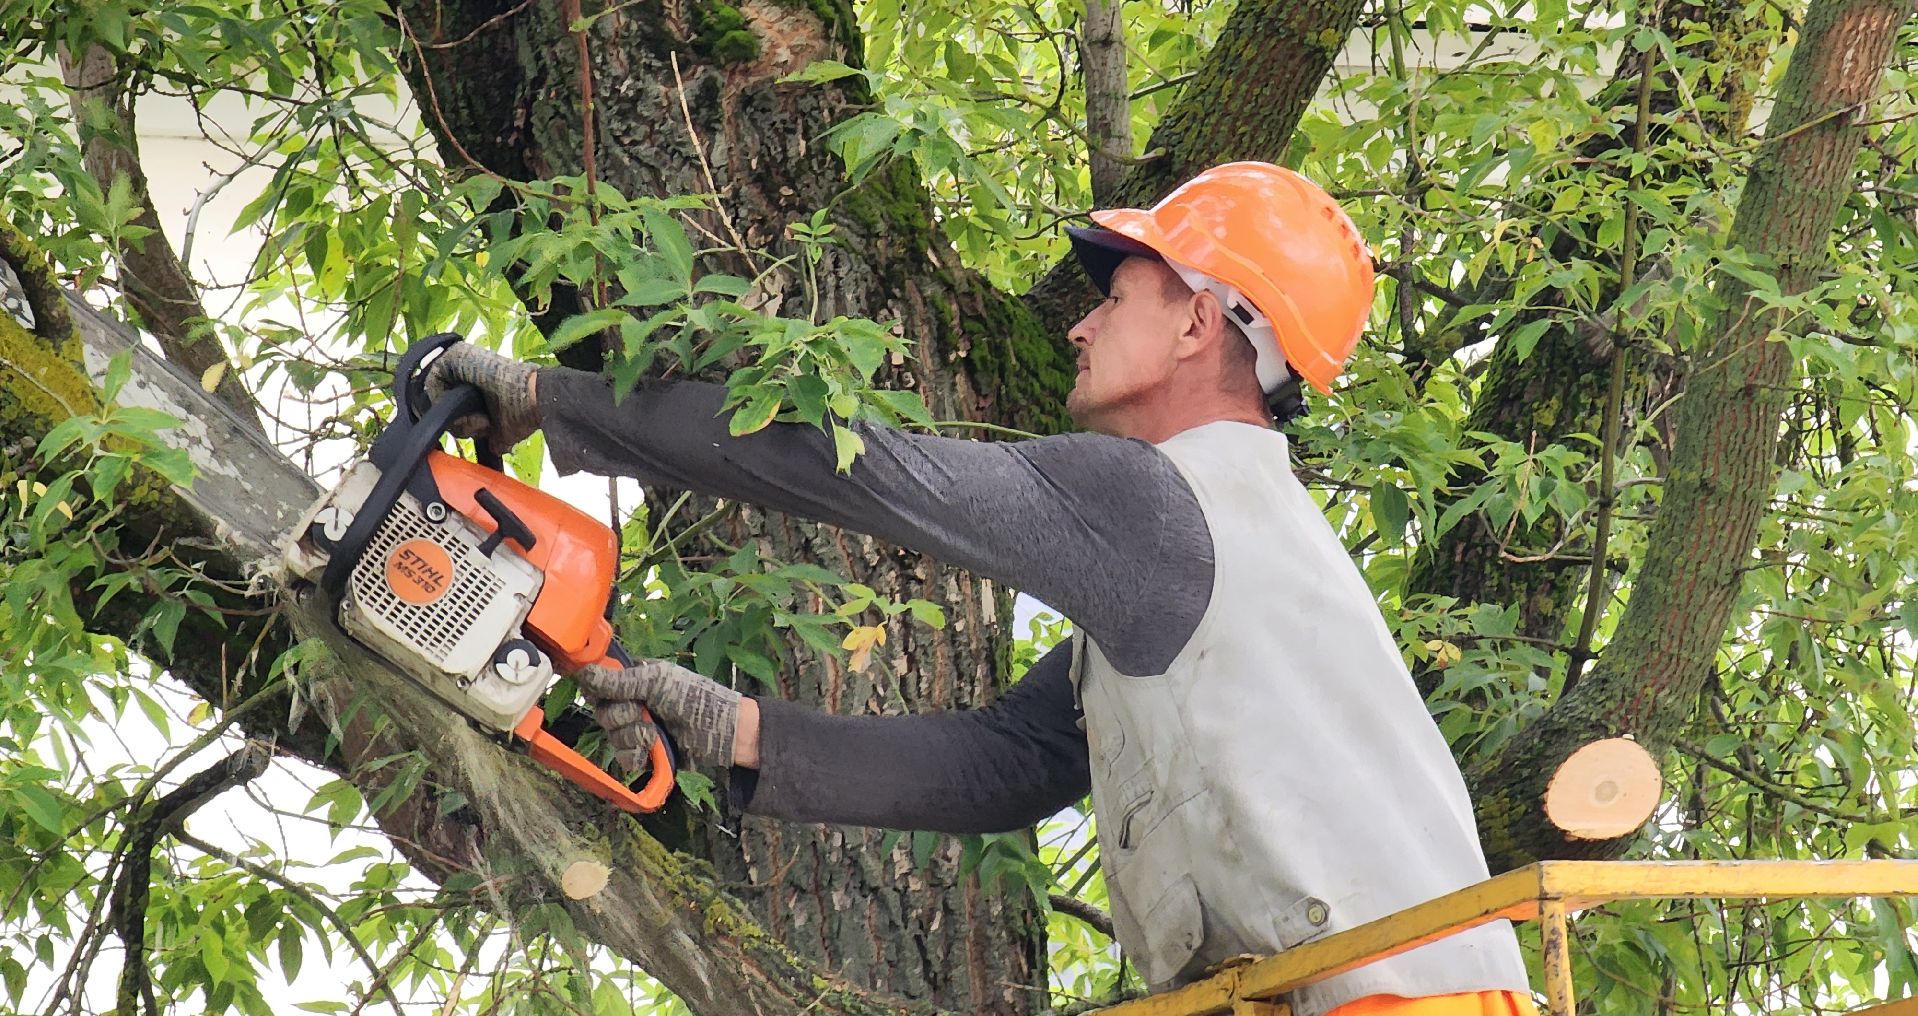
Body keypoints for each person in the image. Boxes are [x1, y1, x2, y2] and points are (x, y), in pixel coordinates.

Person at [425, 162, 1536, 1016]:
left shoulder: (1157, 504)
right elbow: (1006, 766)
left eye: (1121, 295)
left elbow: (846, 468)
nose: (1080, 320)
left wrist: (552, 401)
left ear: (1202, 321)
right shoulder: (1219, 557)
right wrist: (732, 726)